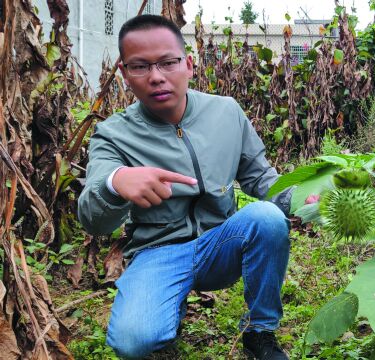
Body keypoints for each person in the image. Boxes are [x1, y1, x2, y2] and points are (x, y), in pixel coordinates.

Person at [77, 14, 293, 360]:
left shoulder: (226, 112)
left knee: (266, 218)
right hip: (157, 252)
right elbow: (92, 218)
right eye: (140, 66)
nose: (157, 76)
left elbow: (260, 178)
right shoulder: (113, 135)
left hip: (221, 243)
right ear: (124, 74)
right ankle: (166, 309)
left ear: (189, 64)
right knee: (133, 342)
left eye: (168, 62)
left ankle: (259, 331)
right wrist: (116, 183)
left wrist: (304, 198)